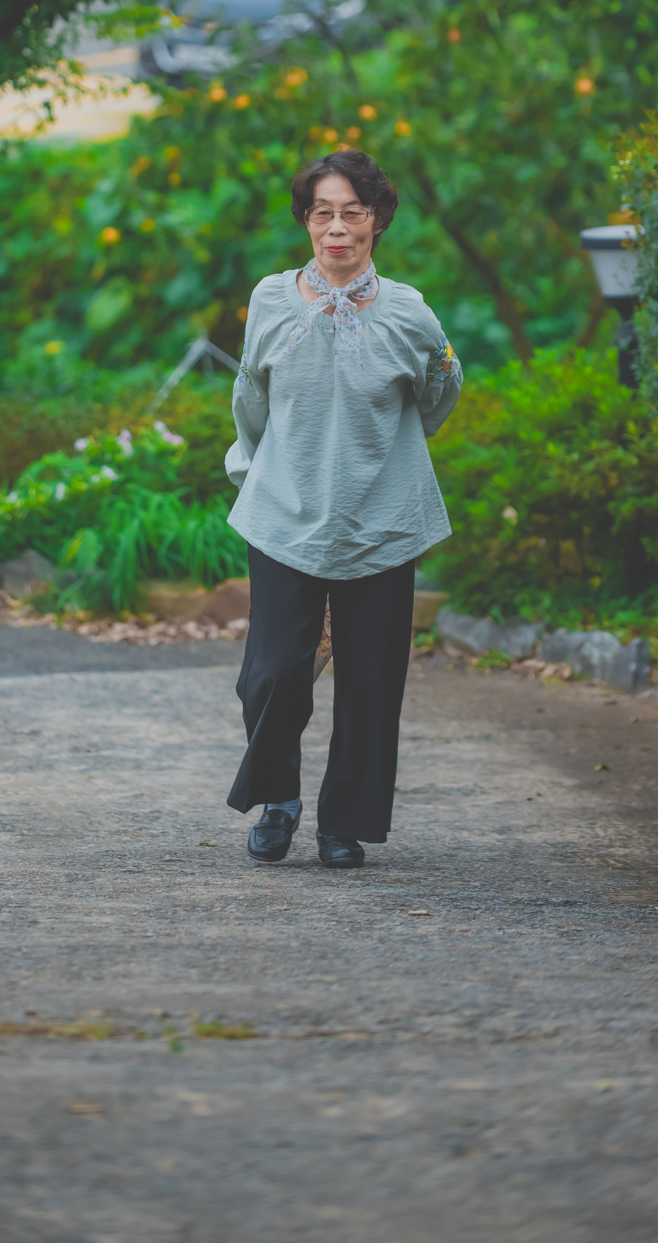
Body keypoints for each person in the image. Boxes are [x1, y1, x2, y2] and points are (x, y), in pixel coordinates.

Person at [224, 148, 463, 868]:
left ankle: (344, 825)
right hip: (283, 509)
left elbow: (440, 389)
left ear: (376, 220)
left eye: (351, 213)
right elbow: (251, 397)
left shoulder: (410, 311)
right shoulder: (271, 299)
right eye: (322, 213)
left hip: (382, 516)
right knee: (272, 673)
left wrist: (388, 449)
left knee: (370, 679)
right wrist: (254, 469)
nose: (336, 228)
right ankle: (279, 798)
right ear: (306, 221)